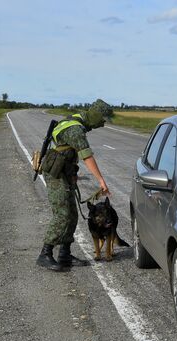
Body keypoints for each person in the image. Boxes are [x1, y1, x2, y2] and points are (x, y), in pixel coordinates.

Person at [36, 101, 112, 272]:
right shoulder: (76, 129)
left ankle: (65, 254)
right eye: (103, 119)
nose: (103, 123)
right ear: (96, 115)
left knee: (72, 214)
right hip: (56, 175)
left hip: (64, 172)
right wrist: (101, 180)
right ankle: (45, 253)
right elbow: (87, 156)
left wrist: (72, 173)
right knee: (62, 215)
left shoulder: (76, 120)